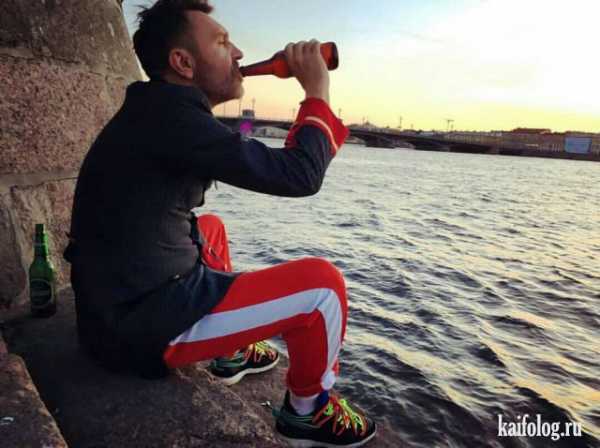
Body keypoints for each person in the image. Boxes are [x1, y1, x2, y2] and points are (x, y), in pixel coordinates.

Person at [64, 0, 376, 446]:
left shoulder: (158, 111)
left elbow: (279, 165)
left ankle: (230, 350)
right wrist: (316, 90)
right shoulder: (174, 120)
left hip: (109, 311)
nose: (239, 53)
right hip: (136, 328)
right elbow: (299, 175)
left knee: (210, 227)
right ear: (183, 63)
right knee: (323, 287)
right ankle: (308, 412)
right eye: (223, 42)